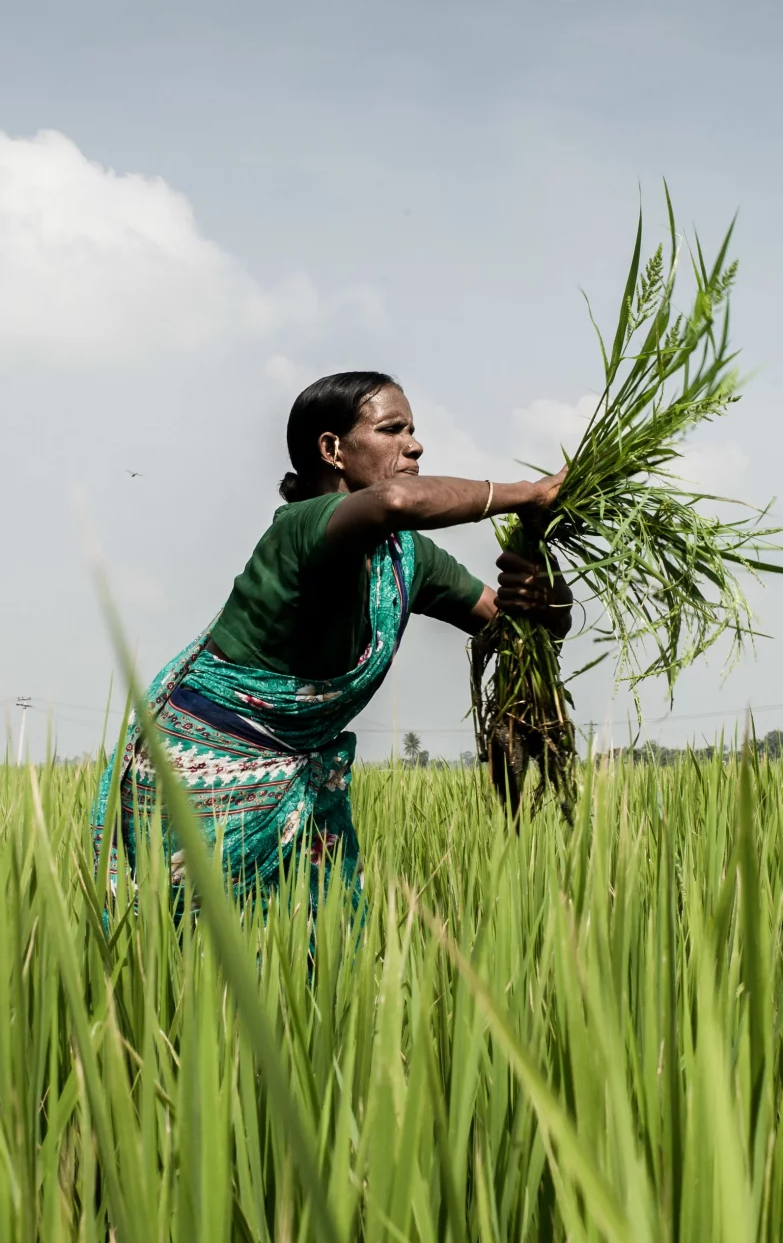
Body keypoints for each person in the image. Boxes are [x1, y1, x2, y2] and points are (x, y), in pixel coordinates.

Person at [96, 370, 570, 906]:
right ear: (332, 449)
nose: (415, 444)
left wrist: (546, 595)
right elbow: (395, 501)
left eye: (413, 430)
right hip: (206, 775)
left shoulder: (404, 556)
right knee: (190, 958)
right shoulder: (300, 527)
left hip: (302, 779)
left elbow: (510, 628)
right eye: (392, 429)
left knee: (323, 956)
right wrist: (527, 494)